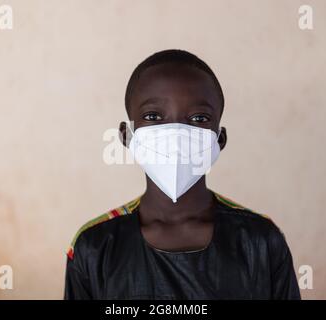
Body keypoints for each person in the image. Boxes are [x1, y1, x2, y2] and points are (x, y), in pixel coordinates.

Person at [64, 49, 301, 300]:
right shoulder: (94, 246)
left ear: (219, 140)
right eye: (153, 116)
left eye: (199, 118)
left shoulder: (261, 241)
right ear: (126, 135)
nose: (176, 133)